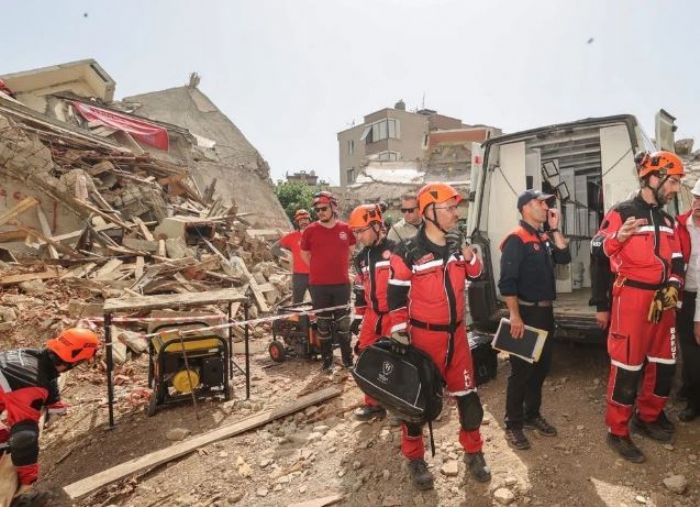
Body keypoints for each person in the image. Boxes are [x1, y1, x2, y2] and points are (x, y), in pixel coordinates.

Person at [388, 182, 491, 490]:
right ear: (429, 211)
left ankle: (474, 452)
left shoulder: (458, 244)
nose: (455, 214)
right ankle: (415, 459)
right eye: (449, 208)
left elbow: (476, 274)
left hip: (457, 337)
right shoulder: (407, 252)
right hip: (423, 339)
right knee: (416, 405)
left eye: (455, 207)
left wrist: (468, 254)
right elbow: (395, 295)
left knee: (468, 399)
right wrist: (398, 331)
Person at [591, 151, 685, 463]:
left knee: (664, 364)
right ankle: (617, 431)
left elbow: (676, 260)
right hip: (630, 298)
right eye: (672, 181)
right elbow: (599, 250)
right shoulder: (622, 212)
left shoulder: (669, 219)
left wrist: (673, 284)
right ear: (652, 177)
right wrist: (617, 237)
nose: (674, 189)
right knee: (628, 366)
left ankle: (648, 416)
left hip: (664, 300)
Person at [498, 189, 571, 450]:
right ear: (525, 208)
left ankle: (532, 415)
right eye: (540, 202)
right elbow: (507, 283)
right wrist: (515, 316)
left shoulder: (541, 236)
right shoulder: (516, 239)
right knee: (521, 372)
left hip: (545, 313)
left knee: (541, 368)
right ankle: (513, 424)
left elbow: (564, 258)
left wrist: (555, 229)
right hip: (526, 314)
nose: (545, 206)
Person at [0, 328, 100, 503]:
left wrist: (53, 401)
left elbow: (49, 374)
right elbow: (25, 438)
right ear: (76, 361)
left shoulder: (28, 355)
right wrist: (27, 482)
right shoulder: (31, 385)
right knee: (17, 442)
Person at [347, 204, 396, 420]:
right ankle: (374, 403)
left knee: (395, 360)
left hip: (396, 315)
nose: (358, 237)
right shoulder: (360, 258)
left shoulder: (397, 251)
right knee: (365, 355)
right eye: (355, 232)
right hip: (372, 315)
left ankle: (399, 405)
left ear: (377, 225)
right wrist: (358, 318)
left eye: (361, 230)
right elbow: (360, 290)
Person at [300, 191, 356, 373]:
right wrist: (319, 269)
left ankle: (348, 362)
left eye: (324, 208)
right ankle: (327, 363)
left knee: (344, 325)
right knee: (322, 326)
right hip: (318, 286)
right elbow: (305, 255)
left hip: (342, 284)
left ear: (333, 207)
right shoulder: (310, 230)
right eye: (317, 210)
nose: (320, 212)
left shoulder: (345, 229)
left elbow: (351, 250)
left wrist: (337, 267)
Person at [674, 179, 700, 422]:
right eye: (696, 197)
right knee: (688, 347)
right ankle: (690, 392)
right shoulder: (680, 223)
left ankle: (694, 397)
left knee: (695, 348)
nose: (699, 203)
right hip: (685, 296)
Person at [271, 209, 311, 303]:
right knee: (297, 303)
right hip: (299, 275)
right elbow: (274, 249)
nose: (303, 222)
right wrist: (286, 255)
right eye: (301, 220)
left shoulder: (317, 234)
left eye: (305, 219)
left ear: (309, 220)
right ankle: (298, 318)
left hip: (315, 274)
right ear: (297, 222)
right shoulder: (292, 236)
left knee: (319, 303)